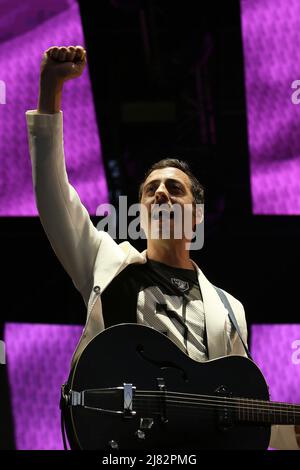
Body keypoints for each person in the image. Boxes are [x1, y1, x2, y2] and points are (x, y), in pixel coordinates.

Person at [26, 45, 300, 450]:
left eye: (175, 189)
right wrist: (50, 90)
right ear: (139, 212)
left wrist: (293, 433)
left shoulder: (230, 310)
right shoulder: (106, 263)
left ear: (197, 215)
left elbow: (233, 410)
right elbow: (54, 199)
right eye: (151, 189)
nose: (161, 194)